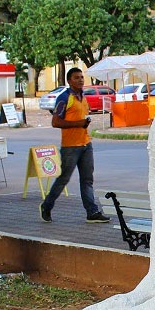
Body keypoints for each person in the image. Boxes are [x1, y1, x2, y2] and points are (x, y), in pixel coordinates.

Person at [39, 68, 110, 223]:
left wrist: (85, 125)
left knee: (87, 179)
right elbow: (55, 122)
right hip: (70, 146)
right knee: (64, 178)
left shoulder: (82, 97)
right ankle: (47, 205)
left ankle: (92, 212)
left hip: (86, 144)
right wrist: (79, 123)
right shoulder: (64, 98)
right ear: (69, 81)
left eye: (82, 77)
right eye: (76, 78)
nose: (80, 80)